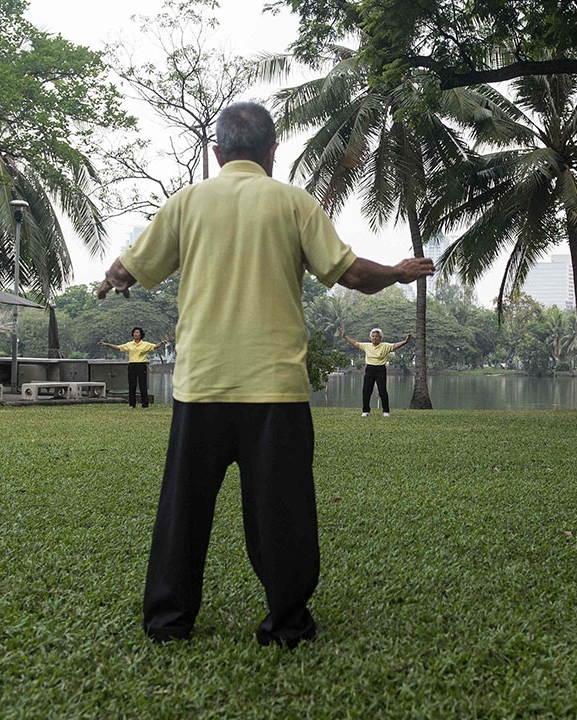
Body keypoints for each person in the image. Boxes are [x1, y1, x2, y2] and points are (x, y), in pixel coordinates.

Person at [95, 101, 434, 647]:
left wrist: (113, 280)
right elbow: (351, 274)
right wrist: (397, 271)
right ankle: (287, 625)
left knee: (183, 511)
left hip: (201, 385)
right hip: (274, 388)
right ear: (273, 152)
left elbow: (128, 268)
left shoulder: (186, 203)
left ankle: (168, 623)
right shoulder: (293, 202)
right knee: (283, 512)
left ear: (217, 151)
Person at [338, 327, 411, 417]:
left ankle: (386, 411)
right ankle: (366, 411)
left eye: (376, 336)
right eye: (372, 336)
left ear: (380, 338)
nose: (374, 338)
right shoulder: (367, 346)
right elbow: (356, 343)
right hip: (369, 369)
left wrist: (405, 341)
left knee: (382, 391)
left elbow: (395, 345)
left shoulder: (385, 346)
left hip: (380, 369)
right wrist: (345, 336)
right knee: (366, 391)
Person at [99, 328, 170, 408]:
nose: (136, 334)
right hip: (132, 365)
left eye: (137, 332)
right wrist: (107, 344)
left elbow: (155, 346)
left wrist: (162, 343)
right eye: (134, 332)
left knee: (142, 385)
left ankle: (145, 404)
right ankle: (132, 404)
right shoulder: (130, 344)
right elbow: (118, 348)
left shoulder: (145, 344)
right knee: (132, 385)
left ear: (141, 334)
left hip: (141, 365)